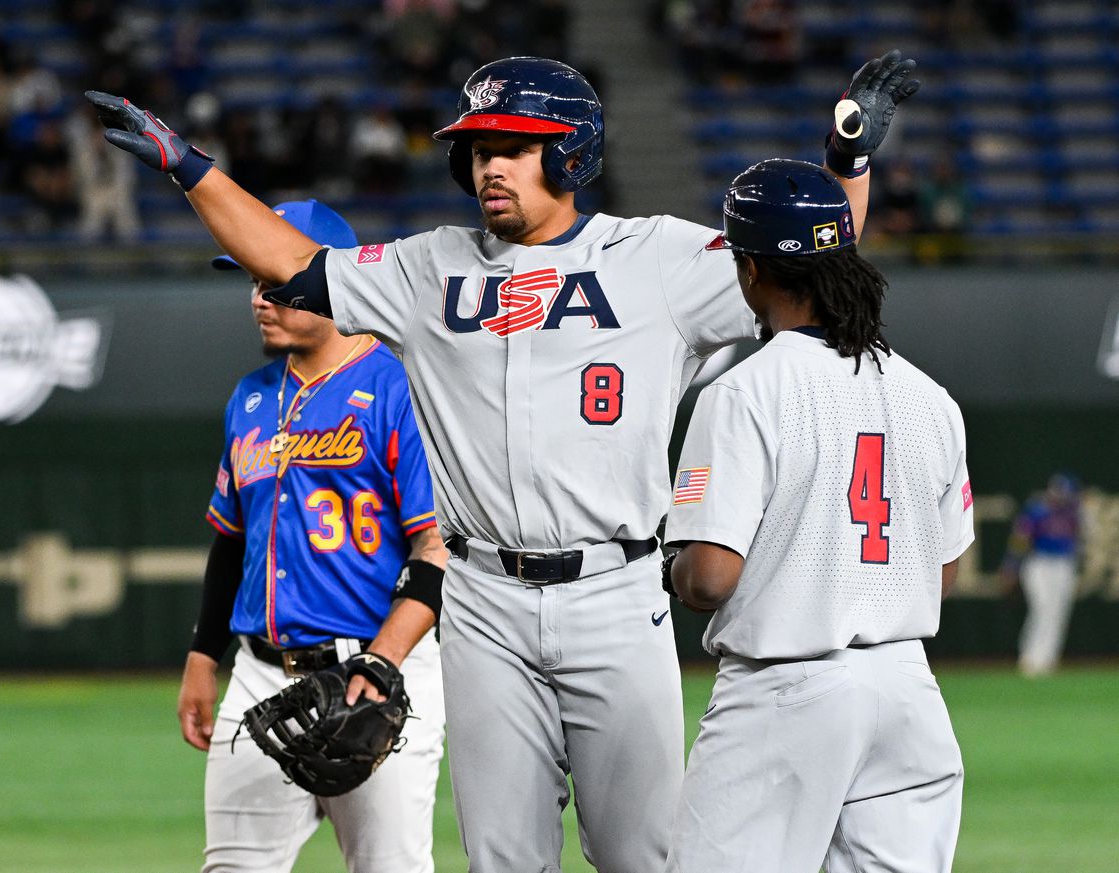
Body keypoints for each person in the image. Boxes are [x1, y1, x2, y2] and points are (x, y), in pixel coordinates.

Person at [88, 50, 919, 872]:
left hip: (617, 591)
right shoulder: (427, 267)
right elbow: (288, 263)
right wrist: (187, 166)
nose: (492, 165)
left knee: (645, 853)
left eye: (517, 147)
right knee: (504, 858)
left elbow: (806, 248)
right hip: (483, 600)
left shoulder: (658, 257)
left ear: (570, 155)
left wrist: (845, 160)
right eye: (480, 149)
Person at [663, 159, 972, 872]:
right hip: (907, 694)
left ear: (750, 272)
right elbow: (944, 571)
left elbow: (709, 577)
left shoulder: (744, 392)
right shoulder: (933, 397)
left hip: (786, 689)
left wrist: (669, 564)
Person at [175, 199, 448, 873]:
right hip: (260, 676)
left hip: (378, 676)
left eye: (275, 282)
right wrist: (203, 654)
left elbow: (435, 548)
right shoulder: (251, 396)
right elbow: (232, 540)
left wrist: (382, 664)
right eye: (251, 282)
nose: (259, 299)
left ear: (331, 282)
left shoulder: (400, 386)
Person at [1002, 472, 1083, 677]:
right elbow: (1021, 538)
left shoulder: (1072, 513)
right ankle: (1030, 657)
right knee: (1042, 609)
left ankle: (1048, 659)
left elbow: (1077, 540)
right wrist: (1011, 565)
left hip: (1064, 565)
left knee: (1058, 612)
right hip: (1039, 563)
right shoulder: (1037, 511)